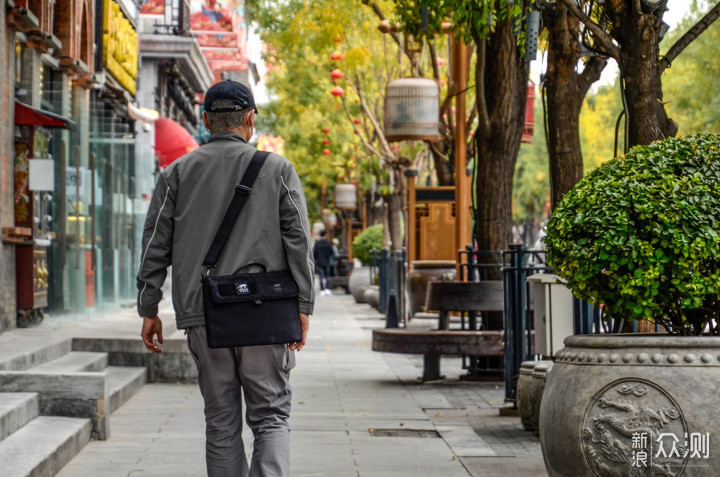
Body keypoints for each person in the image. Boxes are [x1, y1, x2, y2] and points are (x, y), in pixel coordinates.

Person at [136, 79, 313, 477]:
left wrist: (149, 308)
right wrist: (303, 305)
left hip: (204, 312)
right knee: (270, 417)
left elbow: (154, 247)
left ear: (205, 121)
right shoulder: (279, 169)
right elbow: (299, 240)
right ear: (250, 119)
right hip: (264, 312)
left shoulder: (175, 173)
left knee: (220, 421)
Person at [313, 230, 334, 296]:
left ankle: (322, 290)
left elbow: (314, 253)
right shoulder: (328, 243)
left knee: (321, 276)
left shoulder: (317, 243)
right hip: (327, 261)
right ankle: (327, 289)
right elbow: (331, 252)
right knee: (327, 276)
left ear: (320, 235)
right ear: (325, 234)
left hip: (319, 262)